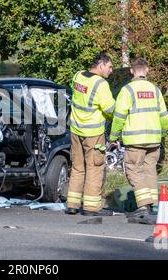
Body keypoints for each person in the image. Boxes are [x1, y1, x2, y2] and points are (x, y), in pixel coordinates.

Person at [109, 57, 168, 219]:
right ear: (147, 70)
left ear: (131, 70)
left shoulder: (127, 90)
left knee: (134, 170)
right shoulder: (155, 90)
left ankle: (143, 206)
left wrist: (113, 136)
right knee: (150, 170)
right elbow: (164, 115)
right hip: (154, 139)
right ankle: (154, 206)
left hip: (135, 140)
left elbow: (119, 116)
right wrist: (164, 133)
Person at [66, 53, 115, 216]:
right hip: (93, 133)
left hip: (75, 130)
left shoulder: (77, 76)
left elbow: (77, 96)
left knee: (78, 167)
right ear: (101, 66)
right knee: (95, 167)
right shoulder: (101, 84)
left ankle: (72, 204)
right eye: (109, 67)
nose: (111, 71)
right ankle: (91, 207)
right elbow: (110, 109)